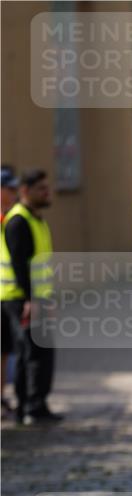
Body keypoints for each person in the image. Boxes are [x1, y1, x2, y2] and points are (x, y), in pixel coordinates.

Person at [0, 168, 61, 425]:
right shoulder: (18, 221)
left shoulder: (37, 219)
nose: (47, 193)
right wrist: (29, 300)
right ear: (25, 192)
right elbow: (19, 264)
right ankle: (29, 407)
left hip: (39, 297)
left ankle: (39, 404)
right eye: (41, 189)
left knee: (42, 351)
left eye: (47, 188)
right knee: (31, 352)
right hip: (20, 298)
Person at [1, 165, 19, 416]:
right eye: (10, 188)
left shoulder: (9, 217)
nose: (14, 192)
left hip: (6, 294)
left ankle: (2, 395)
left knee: (4, 350)